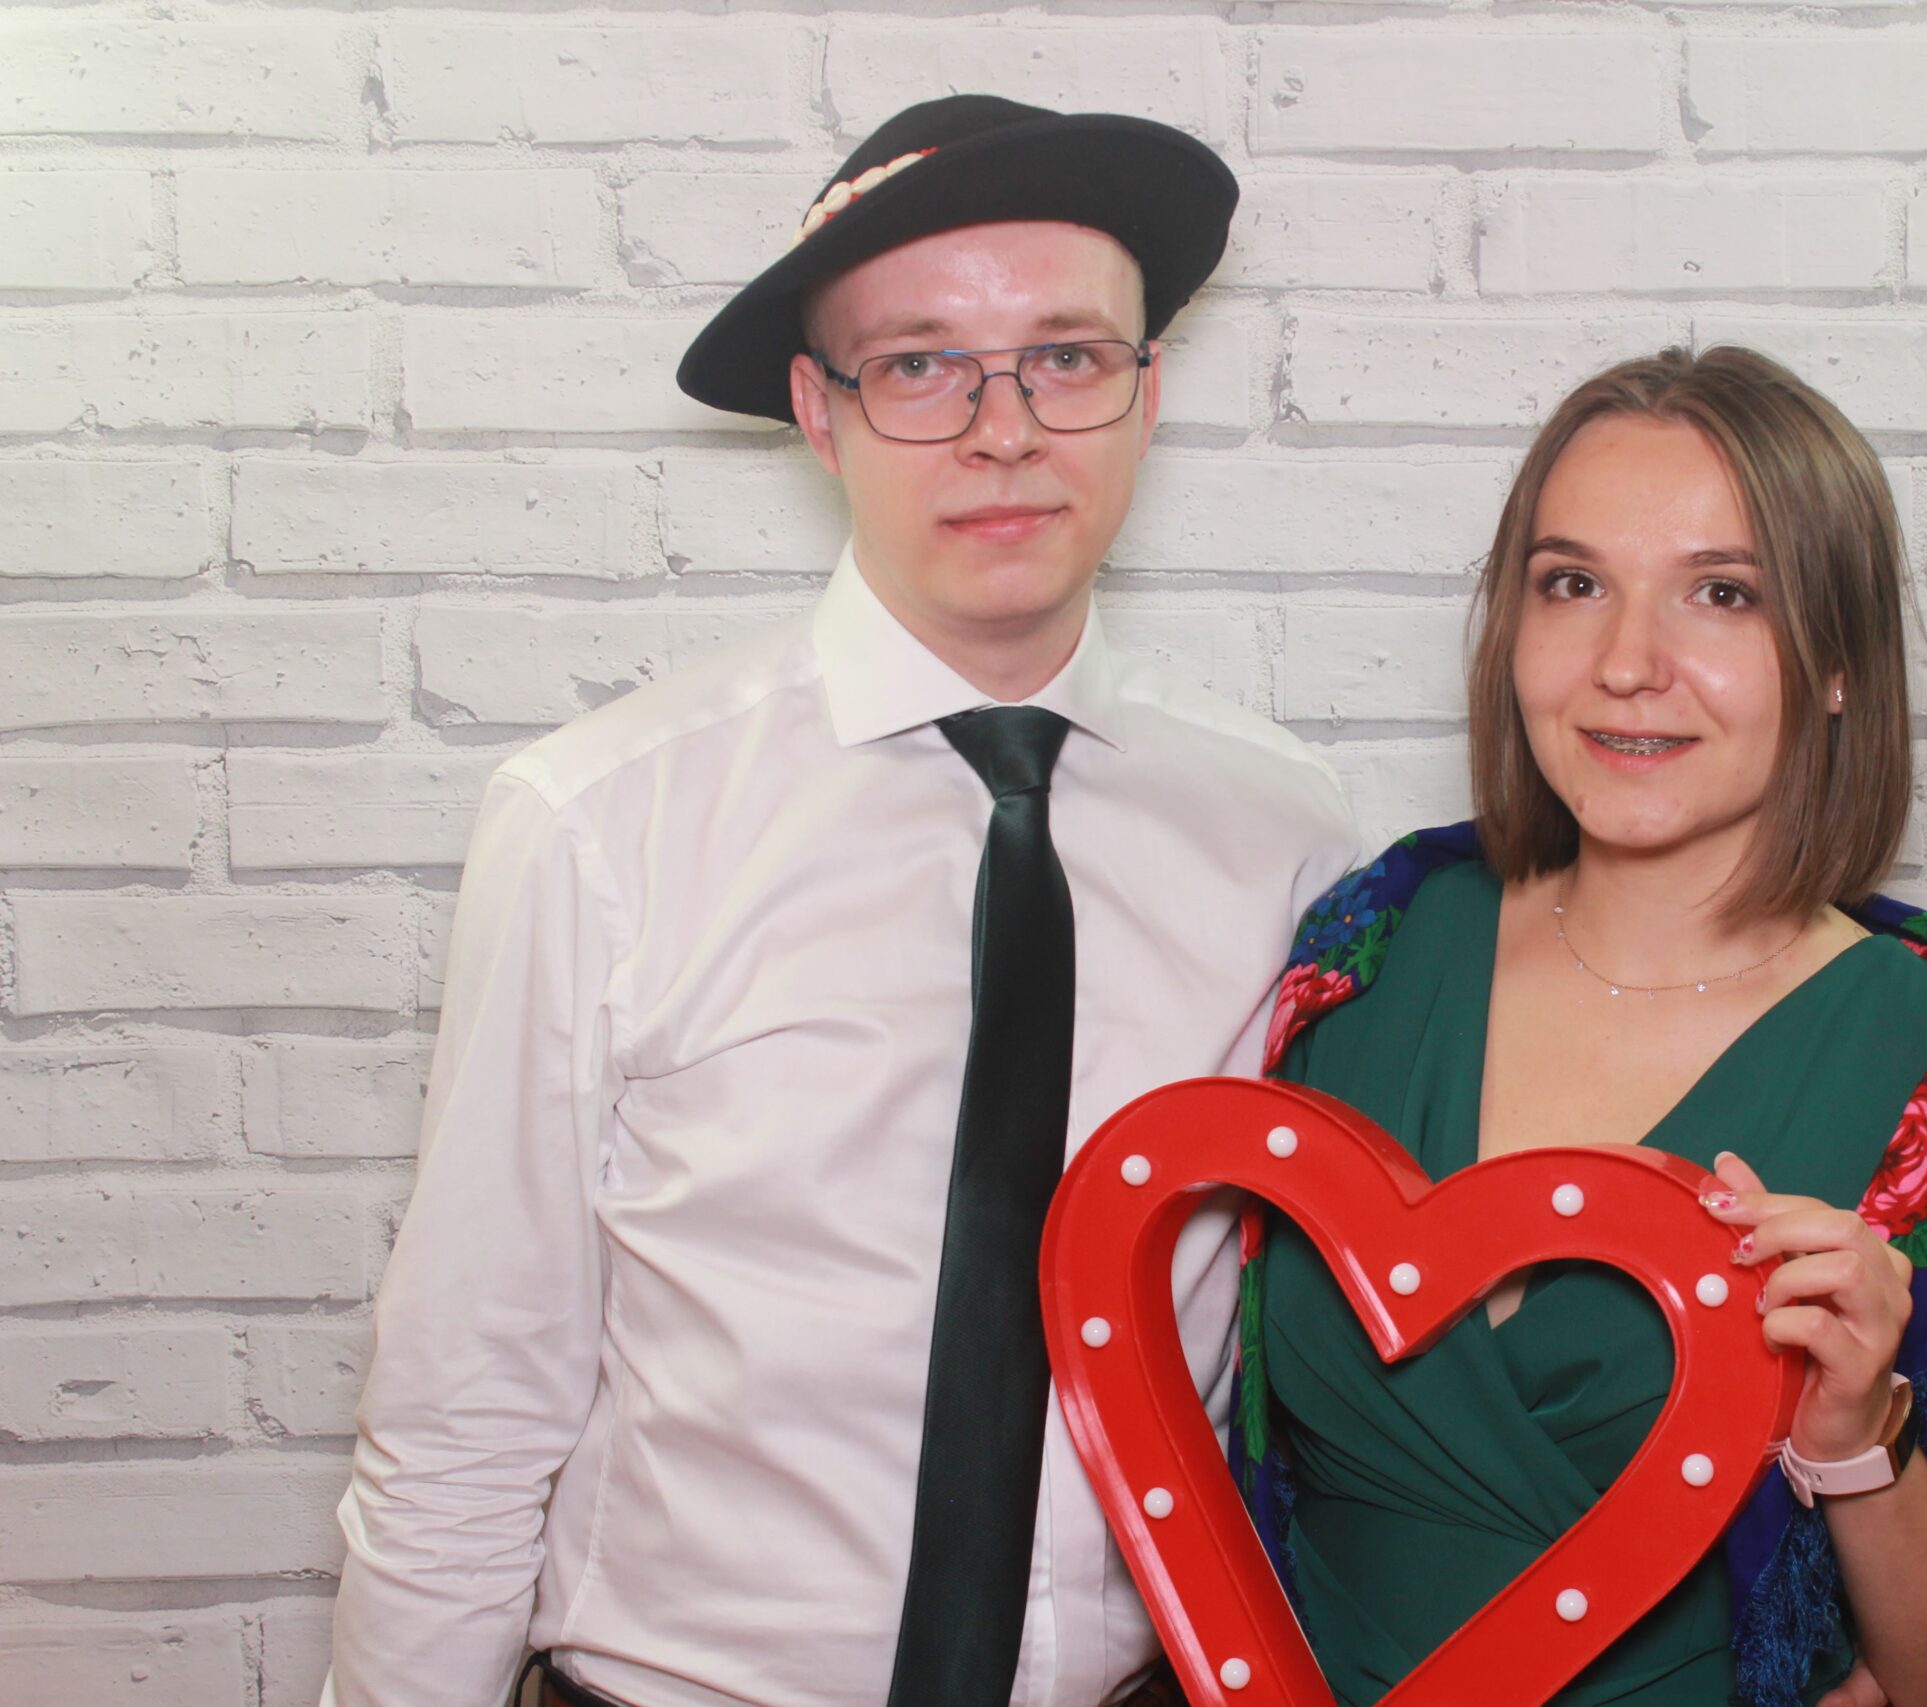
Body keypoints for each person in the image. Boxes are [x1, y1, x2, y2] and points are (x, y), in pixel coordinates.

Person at [321, 96, 1363, 1707]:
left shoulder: (1285, 834)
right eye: (921, 364)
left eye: (1067, 356)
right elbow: (466, 1409)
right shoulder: (599, 825)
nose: (1005, 432)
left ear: (1147, 394)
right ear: (821, 412)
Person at [1235, 346, 1927, 1707]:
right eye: (1572, 584)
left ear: (1837, 662)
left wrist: (1857, 1439)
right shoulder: (1371, 943)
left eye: (1723, 594)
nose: (1626, 665)